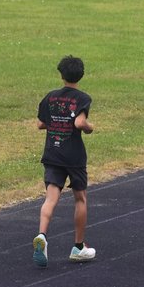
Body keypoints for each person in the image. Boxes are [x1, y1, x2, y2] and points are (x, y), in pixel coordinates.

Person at [34, 55, 96, 267]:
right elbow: (79, 122)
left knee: (51, 198)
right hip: (73, 155)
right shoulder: (82, 98)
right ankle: (78, 247)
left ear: (61, 74)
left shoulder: (50, 97)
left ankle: (42, 235)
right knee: (80, 198)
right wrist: (89, 127)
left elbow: (41, 124)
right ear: (81, 75)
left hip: (52, 152)